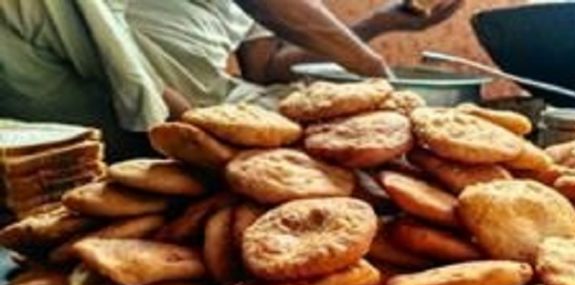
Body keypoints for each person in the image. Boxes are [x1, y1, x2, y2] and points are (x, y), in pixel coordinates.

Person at [0, 0, 462, 159]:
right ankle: (199, 146)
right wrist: (373, 69)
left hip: (216, 102)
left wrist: (381, 24)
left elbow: (268, 66)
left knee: (360, 135)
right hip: (120, 99)